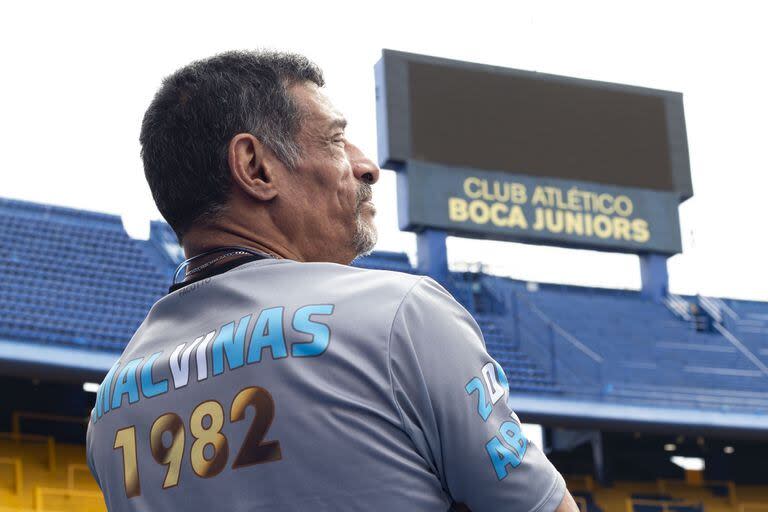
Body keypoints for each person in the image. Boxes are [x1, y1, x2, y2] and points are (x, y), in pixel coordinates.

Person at [86, 50, 579, 512]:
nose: (367, 166)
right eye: (335, 140)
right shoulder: (398, 317)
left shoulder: (109, 408)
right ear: (255, 167)